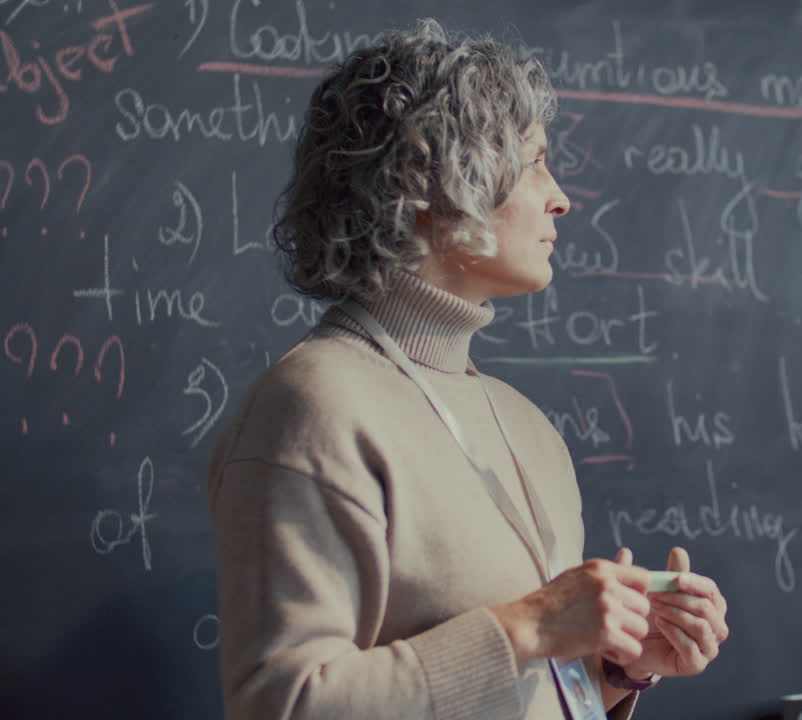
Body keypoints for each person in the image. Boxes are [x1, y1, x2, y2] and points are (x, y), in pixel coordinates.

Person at [206, 20, 728, 720]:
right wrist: (533, 625)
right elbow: (285, 704)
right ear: (438, 181)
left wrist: (619, 669)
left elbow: (509, 694)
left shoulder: (526, 426)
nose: (560, 197)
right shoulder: (313, 408)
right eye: (535, 161)